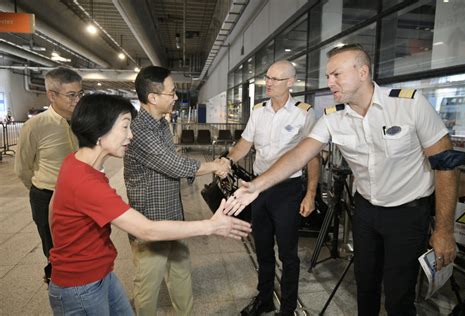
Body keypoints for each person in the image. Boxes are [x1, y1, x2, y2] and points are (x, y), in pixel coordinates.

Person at [225, 44, 463, 316]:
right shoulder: (333, 117)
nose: (330, 82)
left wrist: (444, 230)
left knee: (399, 295)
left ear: (362, 72)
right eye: (328, 76)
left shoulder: (408, 104)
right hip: (365, 212)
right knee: (365, 287)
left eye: (336, 75)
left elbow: (445, 165)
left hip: (407, 215)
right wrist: (255, 186)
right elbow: (299, 155)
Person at [47, 94, 251, 315]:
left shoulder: (77, 162)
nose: (131, 135)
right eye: (125, 127)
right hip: (81, 287)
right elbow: (147, 229)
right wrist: (212, 226)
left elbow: (53, 208)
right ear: (99, 132)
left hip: (100, 274)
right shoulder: (86, 182)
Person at [123, 66, 231, 316]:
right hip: (150, 222)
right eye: (171, 93)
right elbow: (174, 165)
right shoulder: (140, 130)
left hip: (173, 214)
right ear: (153, 97)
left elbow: (173, 164)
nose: (175, 97)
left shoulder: (161, 125)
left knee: (181, 274)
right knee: (148, 285)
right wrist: (215, 165)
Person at [226, 60, 320, 316]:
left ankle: (288, 309)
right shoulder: (258, 111)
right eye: (267, 77)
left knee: (288, 254)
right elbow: (245, 144)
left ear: (290, 82)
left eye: (275, 79)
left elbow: (312, 156)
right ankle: (265, 298)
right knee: (263, 248)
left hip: (287, 190)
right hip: (259, 189)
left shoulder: (304, 112)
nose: (268, 83)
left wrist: (310, 194)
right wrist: (225, 161)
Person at [14, 67, 83, 283]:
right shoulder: (35, 126)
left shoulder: (83, 122)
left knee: (81, 247)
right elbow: (23, 167)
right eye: (71, 95)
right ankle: (58, 283)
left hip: (80, 196)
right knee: (53, 248)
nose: (77, 100)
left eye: (80, 94)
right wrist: (40, 189)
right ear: (52, 95)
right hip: (47, 196)